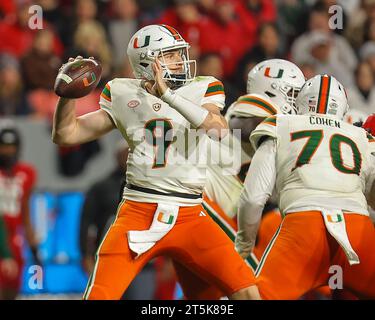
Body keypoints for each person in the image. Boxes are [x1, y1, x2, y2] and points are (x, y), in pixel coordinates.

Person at [52, 24, 260, 300]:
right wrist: (67, 98)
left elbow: (218, 129)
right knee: (99, 296)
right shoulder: (123, 93)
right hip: (138, 209)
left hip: (191, 213)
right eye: (171, 54)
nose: (180, 59)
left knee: (248, 294)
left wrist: (169, 96)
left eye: (178, 53)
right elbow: (66, 134)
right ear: (148, 63)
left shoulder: (204, 86)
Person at [236, 74, 375, 299]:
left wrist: (244, 245)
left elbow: (253, 197)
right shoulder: (362, 137)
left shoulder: (279, 124)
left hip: (304, 225)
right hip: (357, 230)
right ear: (342, 109)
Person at [0, 124, 39, 300]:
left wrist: (34, 249)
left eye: (11, 147)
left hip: (14, 238)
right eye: (4, 146)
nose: (7, 151)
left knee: (12, 289)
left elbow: (25, 211)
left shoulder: (27, 173)